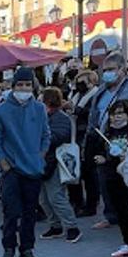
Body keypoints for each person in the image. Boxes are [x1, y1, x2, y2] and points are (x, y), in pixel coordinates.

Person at [0, 67, 51, 257]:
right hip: (12, 170)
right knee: (11, 212)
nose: (24, 88)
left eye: (27, 85)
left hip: (33, 168)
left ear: (33, 86)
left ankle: (27, 250)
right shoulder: (0, 111)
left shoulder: (40, 109)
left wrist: (39, 157)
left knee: (30, 213)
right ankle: (8, 249)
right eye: (20, 85)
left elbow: (46, 136)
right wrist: (4, 164)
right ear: (13, 86)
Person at [87, 52, 128, 231]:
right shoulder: (102, 89)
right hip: (104, 136)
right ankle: (111, 215)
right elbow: (96, 111)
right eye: (104, 70)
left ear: (122, 69)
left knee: (127, 176)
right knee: (106, 176)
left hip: (126, 136)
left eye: (111, 70)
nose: (107, 73)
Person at [37, 87, 81, 244]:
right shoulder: (44, 117)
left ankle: (72, 227)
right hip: (42, 162)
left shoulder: (60, 117)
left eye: (41, 99)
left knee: (56, 197)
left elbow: (59, 137)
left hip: (55, 162)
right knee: (43, 198)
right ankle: (55, 226)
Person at [93, 99, 128, 257]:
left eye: (120, 113)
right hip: (112, 177)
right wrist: (103, 158)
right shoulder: (107, 133)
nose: (116, 117)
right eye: (113, 114)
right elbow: (102, 152)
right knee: (121, 211)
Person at [69, 69, 100, 217]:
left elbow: (89, 114)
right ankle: (77, 202)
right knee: (74, 171)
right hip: (74, 135)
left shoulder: (95, 95)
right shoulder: (75, 95)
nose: (78, 84)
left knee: (89, 173)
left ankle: (90, 205)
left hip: (87, 136)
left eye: (82, 81)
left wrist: (74, 111)